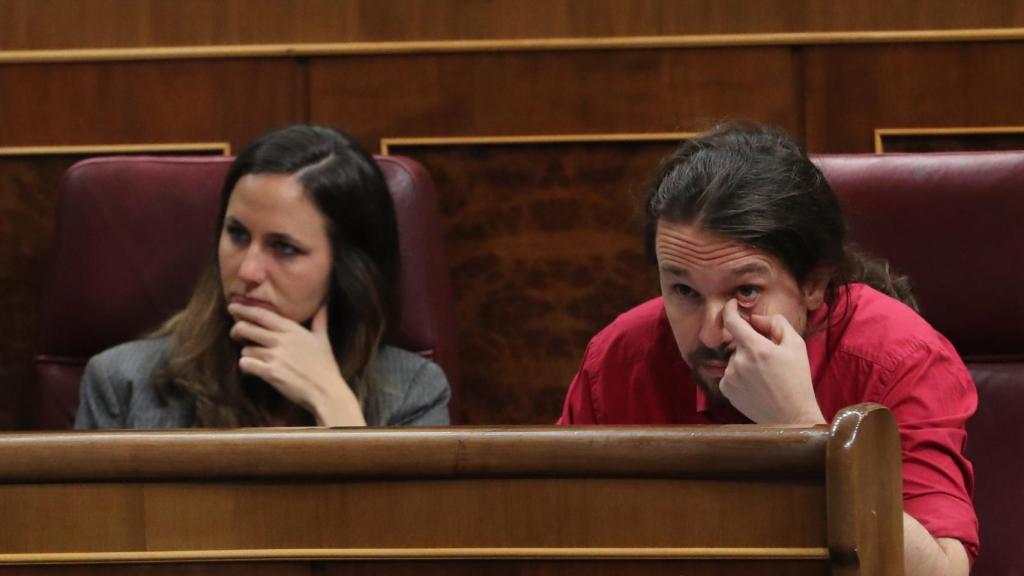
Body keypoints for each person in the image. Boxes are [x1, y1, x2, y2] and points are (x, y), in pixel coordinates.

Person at [558, 123, 977, 575]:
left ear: (813, 284)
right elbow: (549, 535)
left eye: (746, 292)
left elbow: (943, 572)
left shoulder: (898, 358)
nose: (710, 335)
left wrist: (803, 430)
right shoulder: (619, 359)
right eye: (683, 290)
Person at [76, 125, 450, 429]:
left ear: (347, 269)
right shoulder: (121, 382)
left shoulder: (412, 394)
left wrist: (332, 403)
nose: (248, 270)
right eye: (237, 234)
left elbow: (393, 524)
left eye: (284, 247)